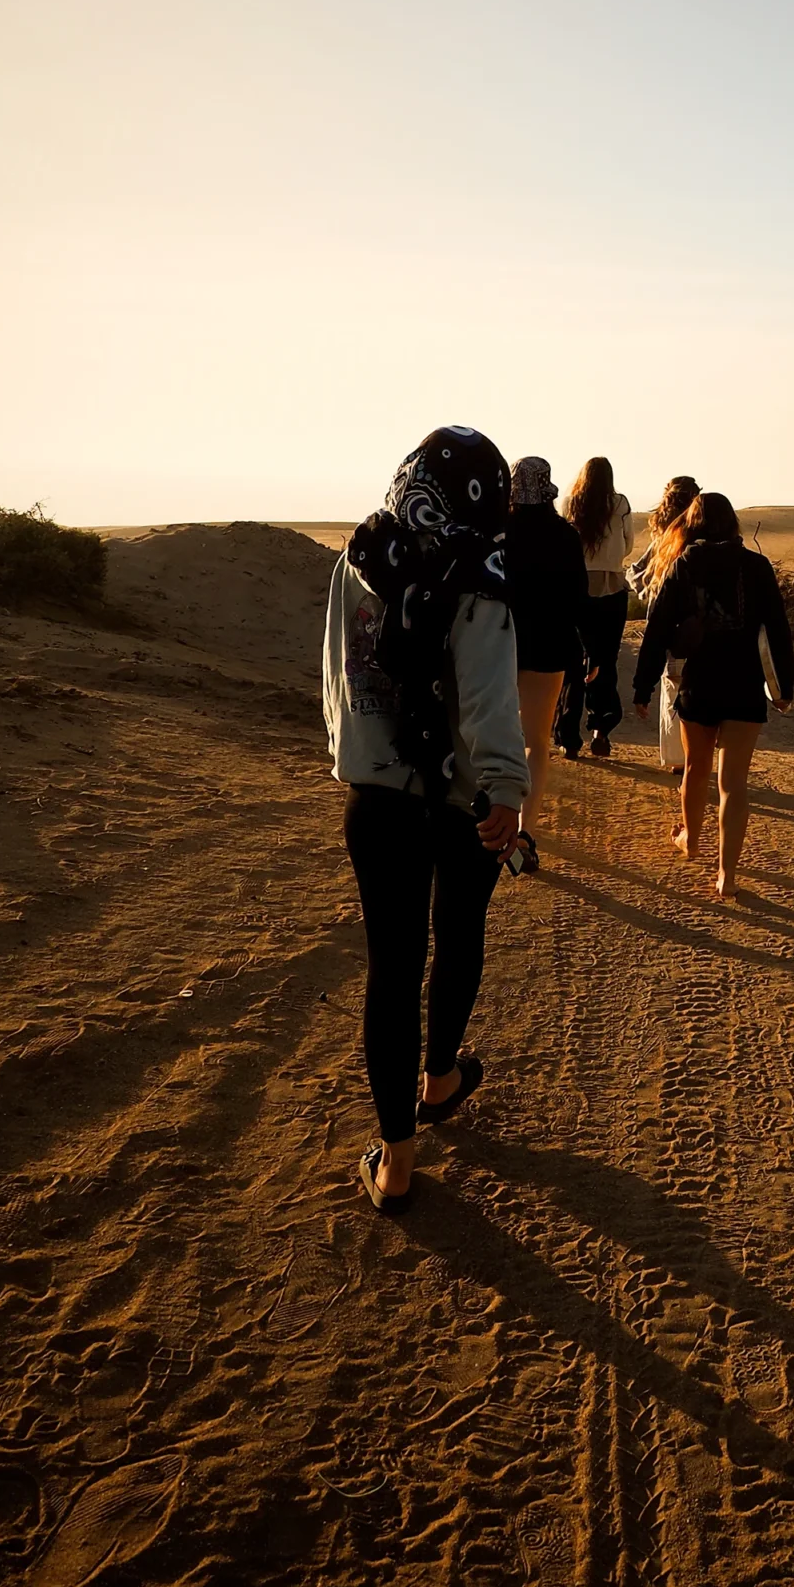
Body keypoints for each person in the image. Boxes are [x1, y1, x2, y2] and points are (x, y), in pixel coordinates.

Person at [322, 425, 528, 1214]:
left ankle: (397, 1162)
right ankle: (441, 1075)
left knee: (393, 965)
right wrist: (507, 786)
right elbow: (484, 695)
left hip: (376, 797)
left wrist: (361, 758)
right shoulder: (479, 569)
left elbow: (340, 674)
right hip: (466, 797)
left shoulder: (360, 554)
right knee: (461, 931)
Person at [632, 491, 794, 898]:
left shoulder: (683, 565)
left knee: (695, 769)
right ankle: (727, 875)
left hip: (700, 682)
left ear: (694, 523)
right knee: (734, 783)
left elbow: (656, 629)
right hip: (743, 683)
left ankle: (690, 838)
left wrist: (643, 684)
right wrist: (785, 685)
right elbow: (777, 628)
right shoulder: (757, 567)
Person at [502, 456, 587, 869]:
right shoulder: (565, 536)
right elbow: (578, 599)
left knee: (490, 734)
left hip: (497, 645)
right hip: (549, 646)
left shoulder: (496, 533)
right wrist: (586, 649)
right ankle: (524, 831)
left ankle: (485, 825)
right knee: (536, 740)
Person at [555, 457, 633, 760]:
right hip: (612, 587)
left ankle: (569, 737)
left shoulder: (570, 503)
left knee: (573, 662)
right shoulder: (621, 503)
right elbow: (628, 545)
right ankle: (601, 729)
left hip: (576, 587)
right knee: (606, 659)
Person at [630, 474, 700, 773]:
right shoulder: (707, 537)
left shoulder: (664, 538)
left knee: (674, 692)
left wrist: (650, 594)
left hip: (670, 629)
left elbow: (636, 574)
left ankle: (679, 761)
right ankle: (699, 756)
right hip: (704, 628)